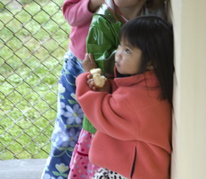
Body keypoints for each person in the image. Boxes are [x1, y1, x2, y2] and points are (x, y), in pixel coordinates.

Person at [68, 0, 168, 178]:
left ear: (151, 62)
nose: (119, 53)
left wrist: (85, 80)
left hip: (132, 173)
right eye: (120, 45)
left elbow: (102, 114)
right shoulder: (149, 85)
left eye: (128, 50)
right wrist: (109, 86)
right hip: (134, 168)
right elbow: (125, 93)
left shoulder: (139, 100)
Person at [41, 1, 104, 178]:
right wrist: (94, 3)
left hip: (114, 70)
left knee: (100, 135)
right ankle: (56, 175)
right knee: (68, 131)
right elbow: (71, 15)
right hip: (78, 64)